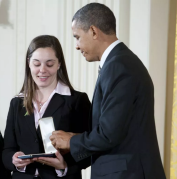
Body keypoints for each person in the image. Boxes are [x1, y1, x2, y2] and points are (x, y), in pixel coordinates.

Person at [50, 3, 166, 179]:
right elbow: (116, 128)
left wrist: (71, 141)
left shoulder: (119, 66)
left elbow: (109, 134)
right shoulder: (120, 62)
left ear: (94, 31)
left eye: (78, 37)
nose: (76, 46)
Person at [2, 35, 91, 179]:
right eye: (37, 64)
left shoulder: (76, 101)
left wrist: (64, 166)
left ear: (59, 64)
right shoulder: (17, 103)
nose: (42, 70)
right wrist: (15, 160)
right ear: (28, 63)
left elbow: (89, 149)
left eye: (49, 64)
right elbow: (7, 150)